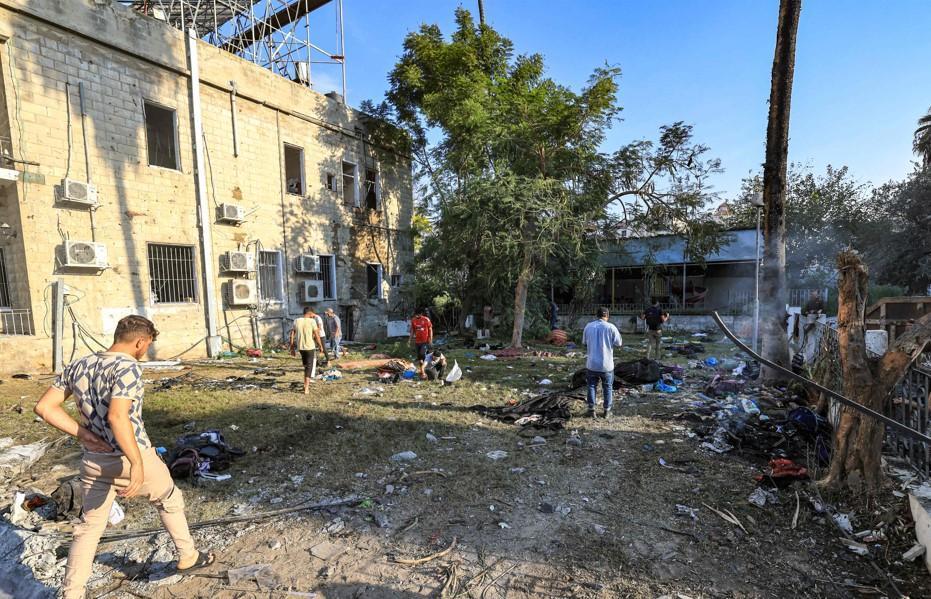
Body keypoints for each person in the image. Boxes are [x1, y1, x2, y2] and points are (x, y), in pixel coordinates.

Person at [34, 315, 214, 599]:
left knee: (88, 527)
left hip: (94, 459)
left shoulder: (79, 364)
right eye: (148, 345)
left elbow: (44, 407)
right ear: (141, 341)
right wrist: (137, 462)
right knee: (168, 499)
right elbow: (119, 417)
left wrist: (83, 434)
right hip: (129, 454)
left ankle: (72, 593)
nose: (146, 351)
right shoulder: (127, 367)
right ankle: (188, 555)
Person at [582, 307, 623, 418]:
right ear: (607, 316)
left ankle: (591, 410)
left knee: (591, 386)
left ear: (597, 315)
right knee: (608, 387)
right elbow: (619, 343)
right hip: (607, 365)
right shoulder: (611, 327)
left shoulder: (588, 326)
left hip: (592, 364)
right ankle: (607, 411)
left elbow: (584, 342)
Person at [290, 307, 325, 394]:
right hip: (310, 347)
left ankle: (305, 385)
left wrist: (291, 347)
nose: (313, 317)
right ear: (309, 313)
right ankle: (306, 388)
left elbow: (292, 334)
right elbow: (317, 335)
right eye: (313, 315)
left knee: (306, 366)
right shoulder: (312, 321)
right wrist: (320, 346)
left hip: (300, 348)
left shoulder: (296, 321)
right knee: (309, 368)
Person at [409, 308, 433, 379]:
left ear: (421, 314)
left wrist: (430, 339)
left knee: (423, 354)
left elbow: (430, 329)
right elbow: (412, 331)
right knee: (419, 357)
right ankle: (422, 371)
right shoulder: (413, 320)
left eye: (418, 314)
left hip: (425, 341)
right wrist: (409, 339)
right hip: (417, 341)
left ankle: (426, 369)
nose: (417, 316)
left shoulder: (426, 319)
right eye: (416, 315)